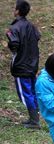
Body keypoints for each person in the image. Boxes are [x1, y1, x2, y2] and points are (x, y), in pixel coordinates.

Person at [6, 0, 41, 128]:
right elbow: (38, 36)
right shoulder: (32, 26)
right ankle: (34, 118)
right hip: (32, 65)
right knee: (32, 91)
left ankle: (34, 121)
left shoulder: (14, 28)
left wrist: (10, 41)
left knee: (25, 94)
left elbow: (14, 44)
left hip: (21, 67)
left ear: (17, 11)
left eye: (14, 8)